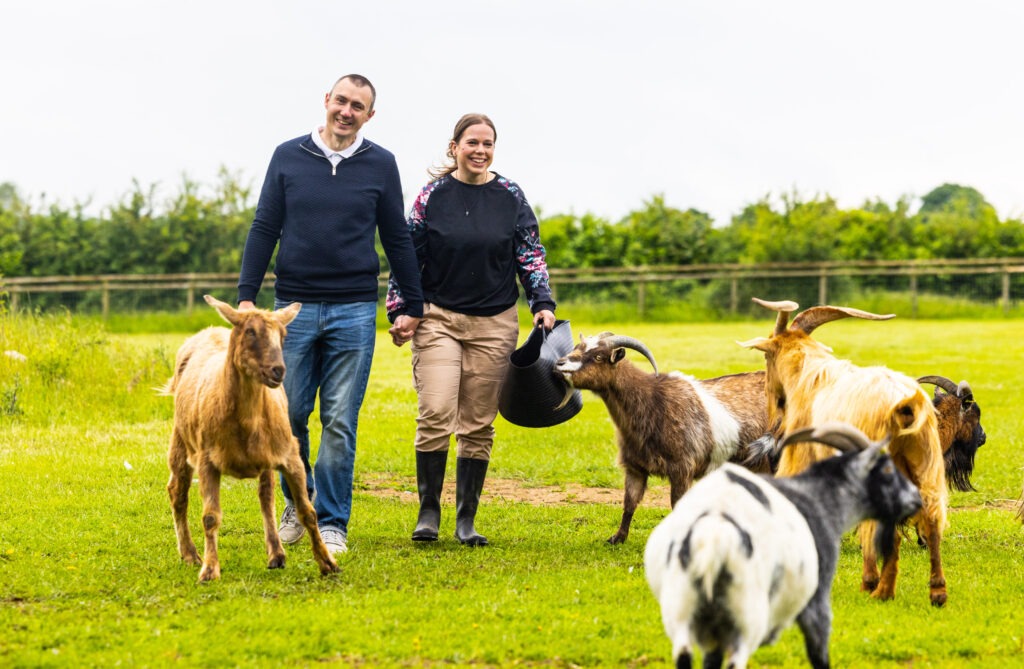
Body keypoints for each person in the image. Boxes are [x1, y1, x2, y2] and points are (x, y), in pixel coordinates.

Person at [237, 74, 424, 556]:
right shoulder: (288, 156)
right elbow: (264, 227)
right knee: (290, 413)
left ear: (369, 115)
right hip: (291, 313)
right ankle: (298, 504)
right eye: (341, 100)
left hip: (354, 310)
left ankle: (335, 522)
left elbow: (397, 238)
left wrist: (413, 305)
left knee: (340, 419)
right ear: (326, 101)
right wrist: (245, 296)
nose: (346, 111)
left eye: (357, 106)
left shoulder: (381, 164)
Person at [386, 113, 556, 546]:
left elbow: (530, 254)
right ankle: (428, 512)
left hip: (495, 323)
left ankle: (466, 519)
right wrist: (402, 308)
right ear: (454, 147)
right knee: (437, 411)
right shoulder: (432, 196)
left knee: (479, 423)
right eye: (471, 143)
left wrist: (542, 303)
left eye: (487, 143)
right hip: (439, 318)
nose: (480, 150)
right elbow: (409, 254)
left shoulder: (510, 196)